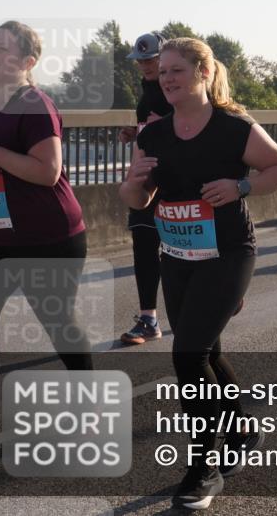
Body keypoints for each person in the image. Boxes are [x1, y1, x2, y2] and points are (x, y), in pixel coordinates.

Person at [120, 38, 277, 509]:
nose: (168, 78)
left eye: (178, 70)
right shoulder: (152, 135)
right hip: (177, 254)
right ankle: (241, 428)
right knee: (206, 349)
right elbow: (138, 201)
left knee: (187, 354)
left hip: (229, 253)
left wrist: (240, 185)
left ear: (202, 72)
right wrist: (133, 184)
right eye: (164, 72)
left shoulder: (232, 127)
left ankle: (203, 467)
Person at [0, 21, 94, 464]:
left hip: (47, 238)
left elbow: (47, 171)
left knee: (59, 327)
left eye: (1, 49)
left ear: (28, 63)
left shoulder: (35, 104)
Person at [118, 31, 173, 345]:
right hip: (146, 174)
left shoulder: (177, 86)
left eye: (150, 59)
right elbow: (150, 126)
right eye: (140, 60)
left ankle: (220, 295)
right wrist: (134, 132)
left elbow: (195, 122)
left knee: (184, 245)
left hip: (178, 176)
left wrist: (162, 123)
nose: (144, 65)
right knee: (143, 240)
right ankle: (148, 319)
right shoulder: (148, 88)